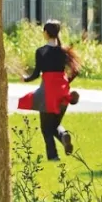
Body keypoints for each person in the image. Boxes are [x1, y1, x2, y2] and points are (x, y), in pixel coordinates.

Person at [17, 20, 82, 161]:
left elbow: (35, 74)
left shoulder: (41, 51)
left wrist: (25, 79)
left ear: (46, 33)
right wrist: (65, 82)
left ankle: (53, 157)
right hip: (63, 92)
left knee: (46, 128)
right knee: (55, 125)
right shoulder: (64, 51)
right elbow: (76, 70)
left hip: (48, 92)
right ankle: (63, 135)